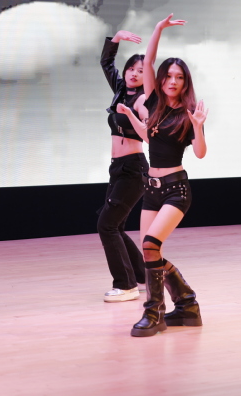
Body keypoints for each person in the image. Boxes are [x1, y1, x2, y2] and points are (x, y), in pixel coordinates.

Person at [117, 14, 208, 337]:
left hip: (175, 190)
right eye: (168, 75)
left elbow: (200, 153)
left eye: (178, 77)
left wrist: (199, 128)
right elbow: (149, 61)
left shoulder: (189, 113)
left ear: (185, 83)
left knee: (151, 244)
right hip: (151, 189)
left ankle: (154, 312)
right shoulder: (155, 103)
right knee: (149, 253)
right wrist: (158, 29)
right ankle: (187, 304)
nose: (172, 81)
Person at [97, 30, 149, 302]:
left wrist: (131, 113)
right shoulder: (120, 90)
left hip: (133, 169)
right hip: (117, 168)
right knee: (114, 225)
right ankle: (141, 277)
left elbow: (148, 136)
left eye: (140, 71)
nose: (133, 74)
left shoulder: (143, 100)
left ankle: (126, 285)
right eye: (131, 68)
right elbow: (106, 63)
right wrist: (115, 38)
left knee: (107, 225)